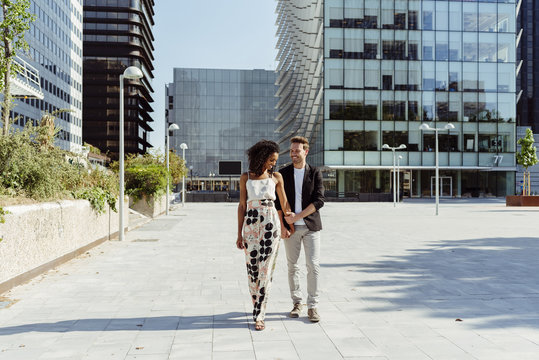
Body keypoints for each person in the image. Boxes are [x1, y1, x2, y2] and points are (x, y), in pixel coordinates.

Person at [237, 139, 293, 331]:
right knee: (253, 271)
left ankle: (259, 314)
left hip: (271, 225)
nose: (273, 163)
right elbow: (242, 206)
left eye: (275, 160)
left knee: (266, 270)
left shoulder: (276, 177)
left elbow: (284, 204)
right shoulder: (246, 177)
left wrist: (289, 223)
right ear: (261, 157)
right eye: (271, 159)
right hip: (251, 225)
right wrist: (239, 234)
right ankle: (256, 305)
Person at [276, 136, 324, 322]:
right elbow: (277, 202)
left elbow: (319, 201)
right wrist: (282, 225)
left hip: (311, 226)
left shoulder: (314, 172)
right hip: (290, 230)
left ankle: (313, 306)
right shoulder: (283, 173)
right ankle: (297, 303)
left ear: (306, 151)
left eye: (297, 150)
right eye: (291, 151)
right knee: (292, 267)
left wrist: (298, 216)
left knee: (313, 266)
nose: (293, 153)